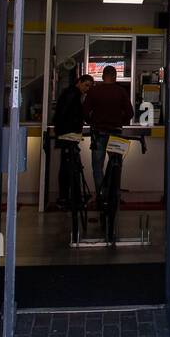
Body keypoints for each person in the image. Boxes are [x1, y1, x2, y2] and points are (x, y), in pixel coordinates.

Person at [82, 65, 134, 243]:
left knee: (97, 165)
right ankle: (114, 194)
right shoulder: (120, 92)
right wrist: (120, 121)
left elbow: (84, 112)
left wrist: (92, 121)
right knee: (116, 164)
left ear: (103, 76)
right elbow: (130, 113)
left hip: (98, 133)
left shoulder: (94, 92)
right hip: (116, 132)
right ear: (115, 76)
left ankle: (101, 194)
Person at [52, 70, 92, 242]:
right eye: (86, 85)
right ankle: (67, 197)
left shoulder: (70, 93)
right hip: (68, 136)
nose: (87, 89)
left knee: (68, 166)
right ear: (79, 82)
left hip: (67, 136)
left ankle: (67, 197)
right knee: (69, 167)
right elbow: (65, 114)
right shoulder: (72, 95)